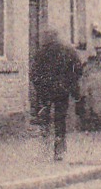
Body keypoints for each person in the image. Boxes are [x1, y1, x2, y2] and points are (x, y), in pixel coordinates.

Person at [31, 29, 81, 161]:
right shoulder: (68, 51)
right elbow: (77, 70)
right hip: (61, 91)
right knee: (60, 120)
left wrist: (39, 88)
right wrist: (71, 87)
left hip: (46, 91)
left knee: (44, 118)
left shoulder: (41, 53)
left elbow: (34, 73)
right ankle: (58, 150)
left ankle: (44, 149)